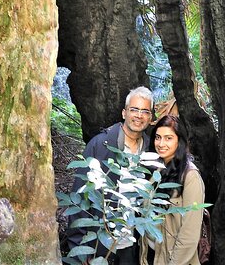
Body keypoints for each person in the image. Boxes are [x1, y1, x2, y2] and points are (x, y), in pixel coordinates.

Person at [66, 86, 155, 264]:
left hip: (132, 247)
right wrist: (81, 250)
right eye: (134, 110)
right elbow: (80, 196)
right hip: (100, 245)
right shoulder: (100, 145)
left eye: (145, 111)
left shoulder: (151, 152)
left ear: (150, 118)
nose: (139, 115)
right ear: (124, 113)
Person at [141, 115, 205, 265]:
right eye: (158, 137)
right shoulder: (156, 170)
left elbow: (189, 234)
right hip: (151, 254)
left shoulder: (190, 177)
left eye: (168, 138)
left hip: (174, 259)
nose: (161, 143)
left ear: (179, 141)